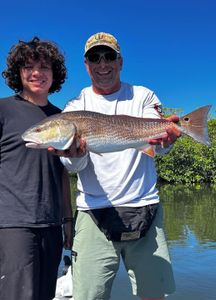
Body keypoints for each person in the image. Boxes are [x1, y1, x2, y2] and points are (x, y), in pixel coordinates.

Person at [53, 32, 181, 300]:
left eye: (109, 56)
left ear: (120, 62)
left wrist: (166, 140)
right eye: (94, 58)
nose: (103, 64)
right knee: (87, 296)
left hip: (145, 206)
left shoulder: (143, 95)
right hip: (93, 213)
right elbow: (72, 166)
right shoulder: (75, 106)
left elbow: (157, 144)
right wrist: (74, 154)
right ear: (86, 65)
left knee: (153, 295)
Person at [0, 37, 73, 300]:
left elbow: (62, 173)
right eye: (28, 67)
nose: (36, 74)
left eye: (44, 67)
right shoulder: (3, 110)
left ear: (55, 74)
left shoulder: (63, 117)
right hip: (12, 225)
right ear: (17, 72)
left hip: (52, 223)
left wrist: (67, 221)